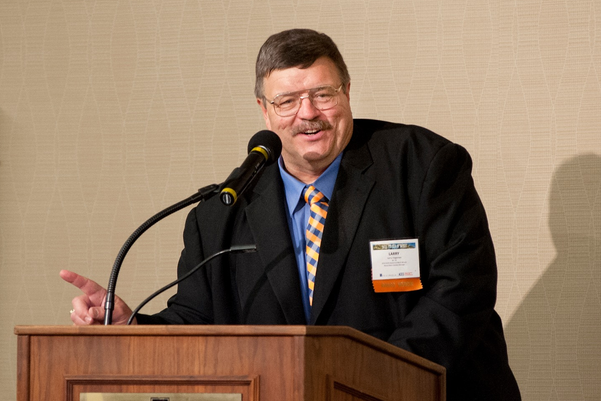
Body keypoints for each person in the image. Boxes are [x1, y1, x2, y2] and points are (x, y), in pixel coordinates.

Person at [61, 28, 521, 400]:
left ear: (347, 91)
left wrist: (369, 382)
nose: (309, 115)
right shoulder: (222, 211)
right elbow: (197, 322)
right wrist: (133, 326)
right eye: (287, 101)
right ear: (264, 110)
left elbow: (461, 292)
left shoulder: (422, 165)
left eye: (323, 94)